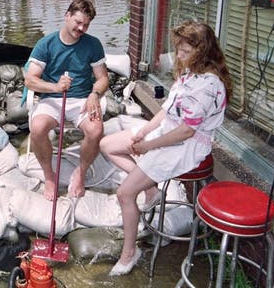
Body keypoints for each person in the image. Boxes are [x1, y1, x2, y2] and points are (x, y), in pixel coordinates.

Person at [99, 20, 233, 276]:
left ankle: (130, 252)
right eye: (179, 50)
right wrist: (144, 131)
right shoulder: (190, 73)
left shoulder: (208, 86)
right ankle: (151, 190)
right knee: (108, 144)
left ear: (202, 50)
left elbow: (185, 131)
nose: (179, 56)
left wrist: (148, 146)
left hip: (185, 146)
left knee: (125, 193)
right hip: (166, 134)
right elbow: (168, 111)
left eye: (185, 51)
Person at [25, 0, 109, 201]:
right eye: (78, 22)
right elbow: (30, 80)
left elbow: (103, 78)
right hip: (52, 100)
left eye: (86, 25)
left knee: (96, 129)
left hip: (82, 100)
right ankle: (49, 176)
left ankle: (80, 172)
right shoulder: (46, 44)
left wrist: (94, 94)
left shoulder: (93, 44)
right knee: (37, 128)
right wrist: (55, 86)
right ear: (67, 16)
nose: (81, 28)